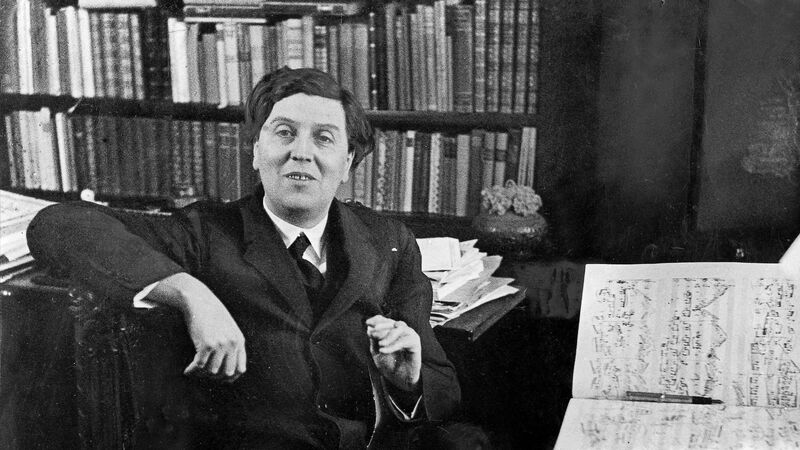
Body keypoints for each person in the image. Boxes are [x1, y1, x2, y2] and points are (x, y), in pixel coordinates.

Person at [27, 67, 462, 449]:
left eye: (323, 139)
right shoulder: (206, 232)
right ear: (256, 150)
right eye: (284, 132)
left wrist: (406, 382)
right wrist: (190, 293)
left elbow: (443, 384)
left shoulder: (388, 241)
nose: (301, 153)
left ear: (347, 161)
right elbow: (58, 224)